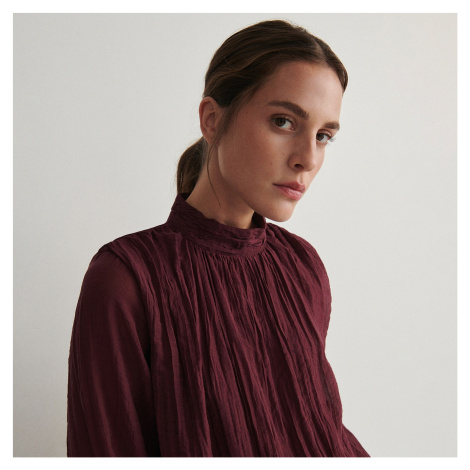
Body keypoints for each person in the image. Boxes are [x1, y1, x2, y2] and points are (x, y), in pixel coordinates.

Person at [67, 19, 370, 457]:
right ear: (212, 119)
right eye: (284, 121)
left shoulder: (303, 267)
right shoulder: (125, 280)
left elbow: (318, 428)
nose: (307, 158)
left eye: (324, 136)